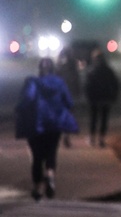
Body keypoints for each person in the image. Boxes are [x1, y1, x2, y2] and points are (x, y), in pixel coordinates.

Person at [15, 57, 79, 201]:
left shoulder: (33, 82)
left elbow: (27, 99)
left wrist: (19, 109)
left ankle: (37, 188)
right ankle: (49, 175)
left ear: (40, 68)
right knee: (51, 151)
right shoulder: (59, 83)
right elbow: (68, 101)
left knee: (37, 157)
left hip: (37, 123)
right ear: (53, 68)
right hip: (54, 124)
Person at [85, 49, 119, 148]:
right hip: (105, 98)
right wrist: (113, 96)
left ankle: (92, 138)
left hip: (95, 99)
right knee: (104, 118)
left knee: (94, 118)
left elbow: (88, 86)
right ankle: (101, 139)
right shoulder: (108, 70)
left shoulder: (92, 71)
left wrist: (89, 96)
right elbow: (115, 84)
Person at [56, 47, 81, 148]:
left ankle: (61, 135)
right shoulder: (73, 67)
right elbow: (76, 81)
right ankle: (66, 136)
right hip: (70, 95)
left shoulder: (60, 67)